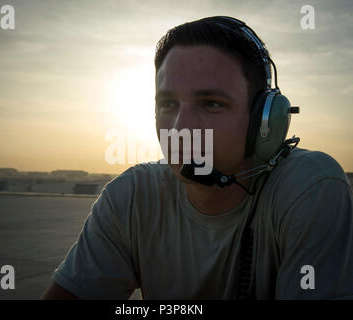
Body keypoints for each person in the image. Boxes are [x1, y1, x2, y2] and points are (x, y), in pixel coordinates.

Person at [42, 16, 353, 300]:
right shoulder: (132, 195)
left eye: (211, 104)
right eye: (168, 104)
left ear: (264, 121)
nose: (180, 128)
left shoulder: (311, 187)